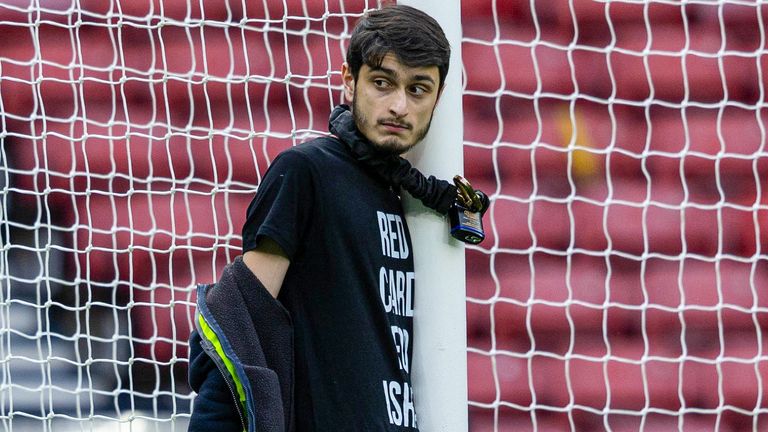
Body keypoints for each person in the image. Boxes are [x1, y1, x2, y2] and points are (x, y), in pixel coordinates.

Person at [187, 5, 470, 431]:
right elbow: (238, 324)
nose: (399, 105)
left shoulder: (410, 199)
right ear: (348, 80)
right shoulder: (307, 171)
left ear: (439, 97)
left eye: (418, 90)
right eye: (382, 82)